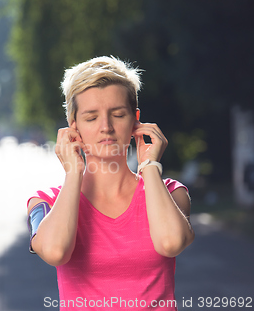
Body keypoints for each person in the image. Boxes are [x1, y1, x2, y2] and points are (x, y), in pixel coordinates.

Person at [26, 56, 195, 310]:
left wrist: (149, 165)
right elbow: (55, 252)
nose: (106, 127)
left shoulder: (171, 192)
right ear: (74, 127)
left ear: (135, 120)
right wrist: (74, 172)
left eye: (117, 114)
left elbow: (171, 243)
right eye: (91, 118)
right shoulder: (45, 202)